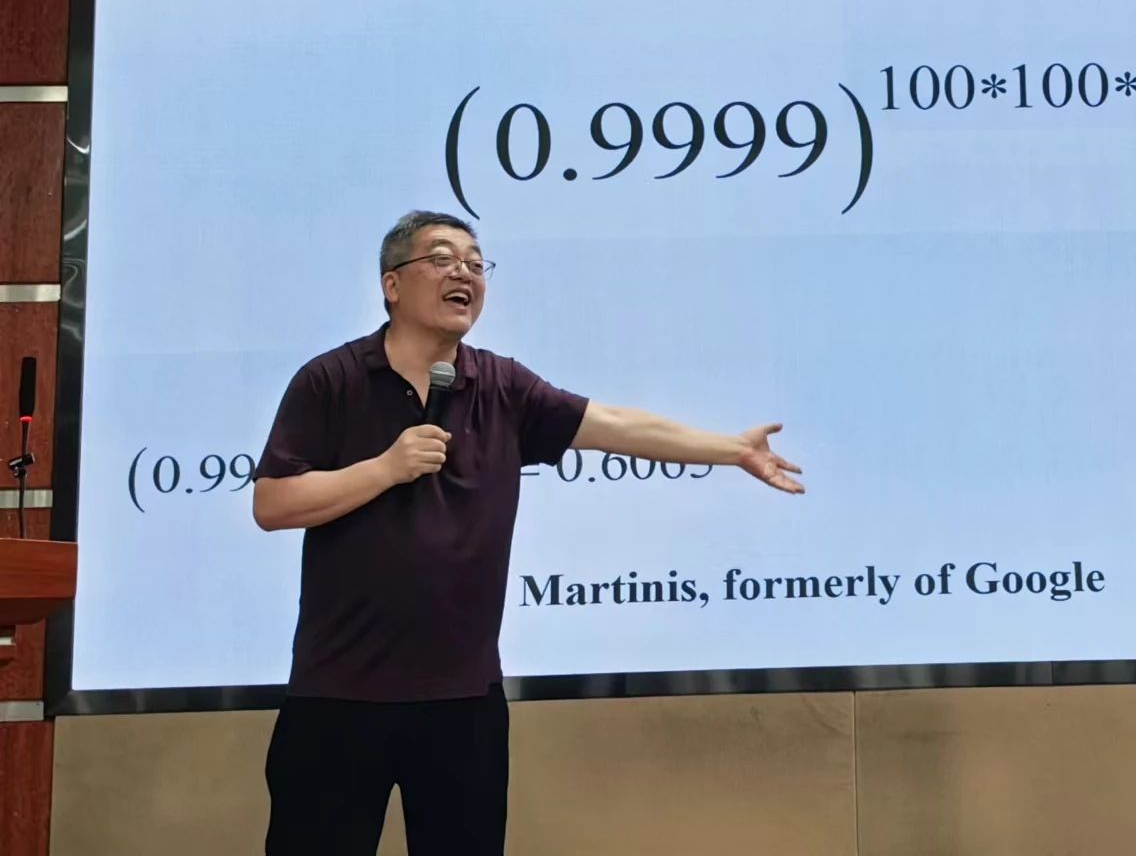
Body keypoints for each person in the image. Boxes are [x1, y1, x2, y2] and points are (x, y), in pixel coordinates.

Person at [253, 210, 802, 856]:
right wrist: (384, 468)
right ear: (391, 284)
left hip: (463, 700)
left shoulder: (502, 386)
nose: (464, 273)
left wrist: (732, 449)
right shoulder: (331, 380)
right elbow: (273, 502)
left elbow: (616, 425)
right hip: (339, 694)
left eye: (475, 263)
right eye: (442, 258)